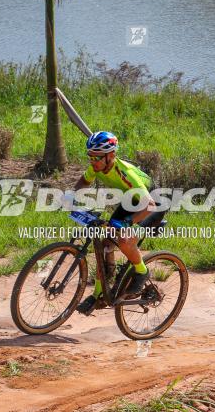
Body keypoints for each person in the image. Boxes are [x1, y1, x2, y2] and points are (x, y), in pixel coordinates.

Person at [64, 131, 158, 315]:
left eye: (97, 157)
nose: (93, 161)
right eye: (90, 156)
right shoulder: (96, 166)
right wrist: (71, 195)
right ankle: (100, 293)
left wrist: (127, 224)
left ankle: (141, 271)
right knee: (105, 241)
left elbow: (150, 205)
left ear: (111, 156)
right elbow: (84, 181)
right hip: (131, 202)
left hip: (152, 204)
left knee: (123, 238)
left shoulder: (126, 174)